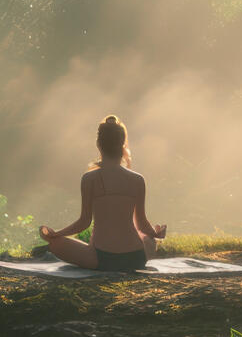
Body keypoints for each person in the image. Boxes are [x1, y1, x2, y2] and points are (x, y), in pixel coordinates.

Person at [36, 115, 168, 271]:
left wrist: (56, 234)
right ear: (123, 144)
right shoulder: (138, 179)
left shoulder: (89, 179)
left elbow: (84, 222)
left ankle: (59, 242)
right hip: (135, 258)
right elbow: (142, 224)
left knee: (56, 244)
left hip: (102, 259)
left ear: (98, 144)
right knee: (149, 240)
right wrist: (156, 233)